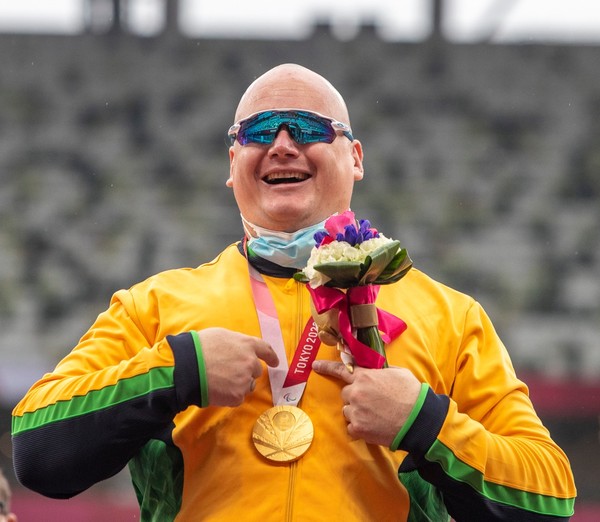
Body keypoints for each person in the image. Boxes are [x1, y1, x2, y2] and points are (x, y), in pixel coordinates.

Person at [12, 63, 576, 521]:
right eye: (259, 132)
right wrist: (178, 370)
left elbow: (550, 496)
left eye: (307, 128)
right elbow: (36, 449)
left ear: (355, 158)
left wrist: (425, 424)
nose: (282, 145)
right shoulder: (153, 307)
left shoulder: (451, 317)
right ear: (233, 166)